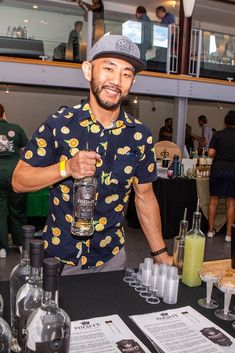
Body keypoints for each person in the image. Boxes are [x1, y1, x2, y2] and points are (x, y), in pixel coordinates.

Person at [12, 34, 172, 275]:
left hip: (112, 259)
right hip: (59, 260)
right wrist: (66, 168)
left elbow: (145, 197)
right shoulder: (59, 124)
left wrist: (160, 254)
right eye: (109, 68)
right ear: (88, 71)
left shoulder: (140, 135)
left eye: (127, 74)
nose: (116, 80)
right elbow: (18, 181)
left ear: (132, 83)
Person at [0, 104, 28, 258]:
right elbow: (27, 153)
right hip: (16, 173)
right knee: (18, 210)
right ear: (4, 114)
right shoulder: (15, 128)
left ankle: (1, 249)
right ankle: (21, 245)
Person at [207, 110, 235, 242]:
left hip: (218, 169)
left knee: (213, 202)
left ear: (225, 122)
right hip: (233, 170)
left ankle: (210, 231)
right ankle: (229, 234)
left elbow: (211, 153)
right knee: (231, 203)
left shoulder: (218, 135)